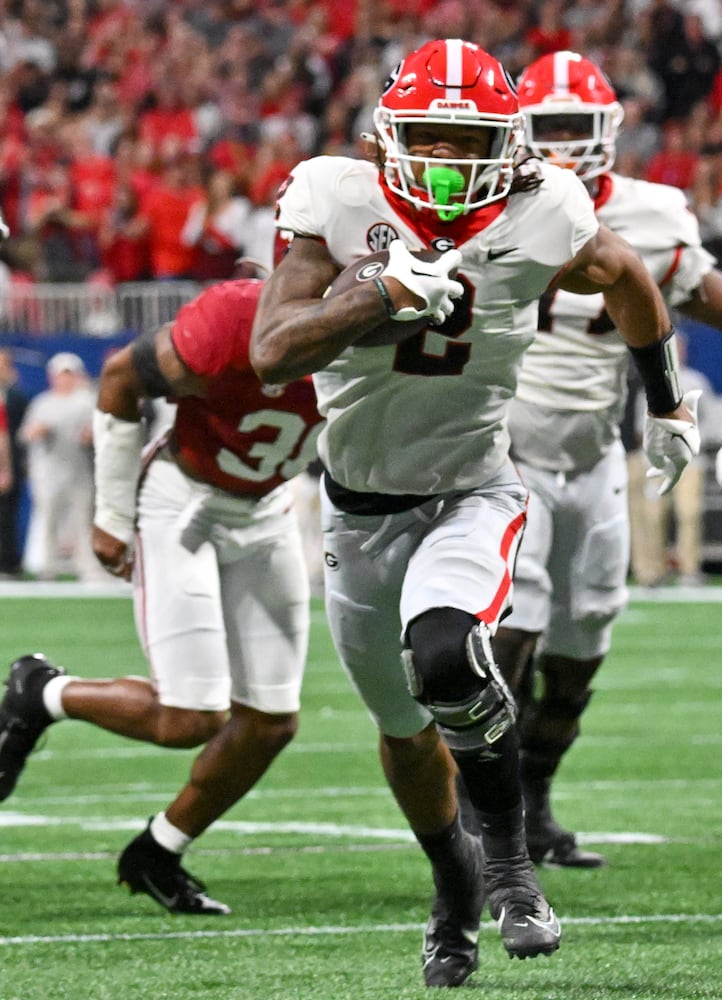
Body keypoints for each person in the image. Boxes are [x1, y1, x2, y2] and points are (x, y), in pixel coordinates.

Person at [249, 38, 699, 989]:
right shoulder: (336, 197)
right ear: (389, 138)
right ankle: (454, 891)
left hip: (476, 485)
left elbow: (627, 276)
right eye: (433, 138)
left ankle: (510, 867)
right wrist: (375, 291)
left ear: (510, 142)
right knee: (405, 728)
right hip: (358, 508)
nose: (452, 163)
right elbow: (273, 352)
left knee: (448, 653)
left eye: (471, 140)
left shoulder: (545, 209)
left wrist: (665, 402)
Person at [0, 277, 323, 915]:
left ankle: (159, 849)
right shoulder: (239, 315)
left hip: (268, 510)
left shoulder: (390, 329)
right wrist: (113, 514)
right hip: (186, 502)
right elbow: (121, 375)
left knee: (270, 723)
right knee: (191, 718)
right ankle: (42, 692)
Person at [488, 49, 722, 869]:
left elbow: (701, 293)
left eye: (570, 128)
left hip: (594, 456)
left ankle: (536, 799)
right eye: (542, 127)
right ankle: (493, 818)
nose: (556, 145)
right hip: (507, 451)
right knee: (513, 630)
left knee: (584, 643)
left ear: (608, 133)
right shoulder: (490, 203)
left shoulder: (655, 215)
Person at [628, 333, 718, 587]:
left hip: (689, 460)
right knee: (654, 515)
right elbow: (640, 425)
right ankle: (652, 571)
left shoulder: (695, 380)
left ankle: (689, 569)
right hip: (658, 462)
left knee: (689, 513)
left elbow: (708, 420)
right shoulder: (652, 382)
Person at [19, 352, 97, 580]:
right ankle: (47, 568)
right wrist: (36, 431)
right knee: (48, 521)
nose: (64, 379)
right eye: (60, 375)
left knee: (83, 522)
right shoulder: (42, 403)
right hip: (49, 475)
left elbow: (98, 433)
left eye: (68, 374)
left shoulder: (87, 402)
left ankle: (88, 569)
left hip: (80, 473)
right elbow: (26, 434)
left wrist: (90, 436)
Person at [0, 348, 29, 576]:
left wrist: (7, 468)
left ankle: (9, 561)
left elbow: (7, 439)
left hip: (10, 463)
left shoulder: (16, 396)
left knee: (8, 514)